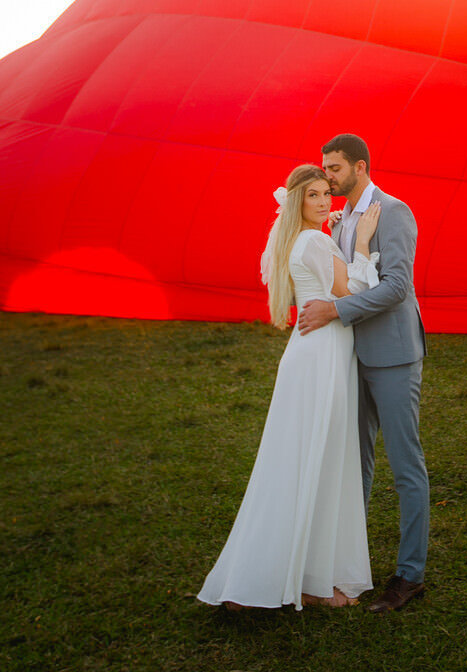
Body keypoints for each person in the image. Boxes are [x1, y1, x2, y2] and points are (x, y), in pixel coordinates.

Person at [197, 163, 382, 611]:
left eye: (326, 195)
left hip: (306, 355)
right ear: (298, 201)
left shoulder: (290, 239)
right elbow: (350, 291)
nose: (323, 203)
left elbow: (312, 277)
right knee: (322, 457)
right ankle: (312, 580)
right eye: (313, 196)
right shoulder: (316, 240)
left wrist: (328, 232)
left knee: (296, 459)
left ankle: (286, 573)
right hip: (323, 357)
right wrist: (359, 246)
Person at [298, 134, 429, 614]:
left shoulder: (394, 212)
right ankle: (348, 567)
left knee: (405, 465)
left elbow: (397, 286)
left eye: (334, 169)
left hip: (393, 356)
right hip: (353, 357)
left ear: (361, 166)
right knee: (354, 463)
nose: (327, 176)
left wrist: (336, 310)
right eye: (324, 168)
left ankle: (410, 575)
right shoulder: (341, 219)